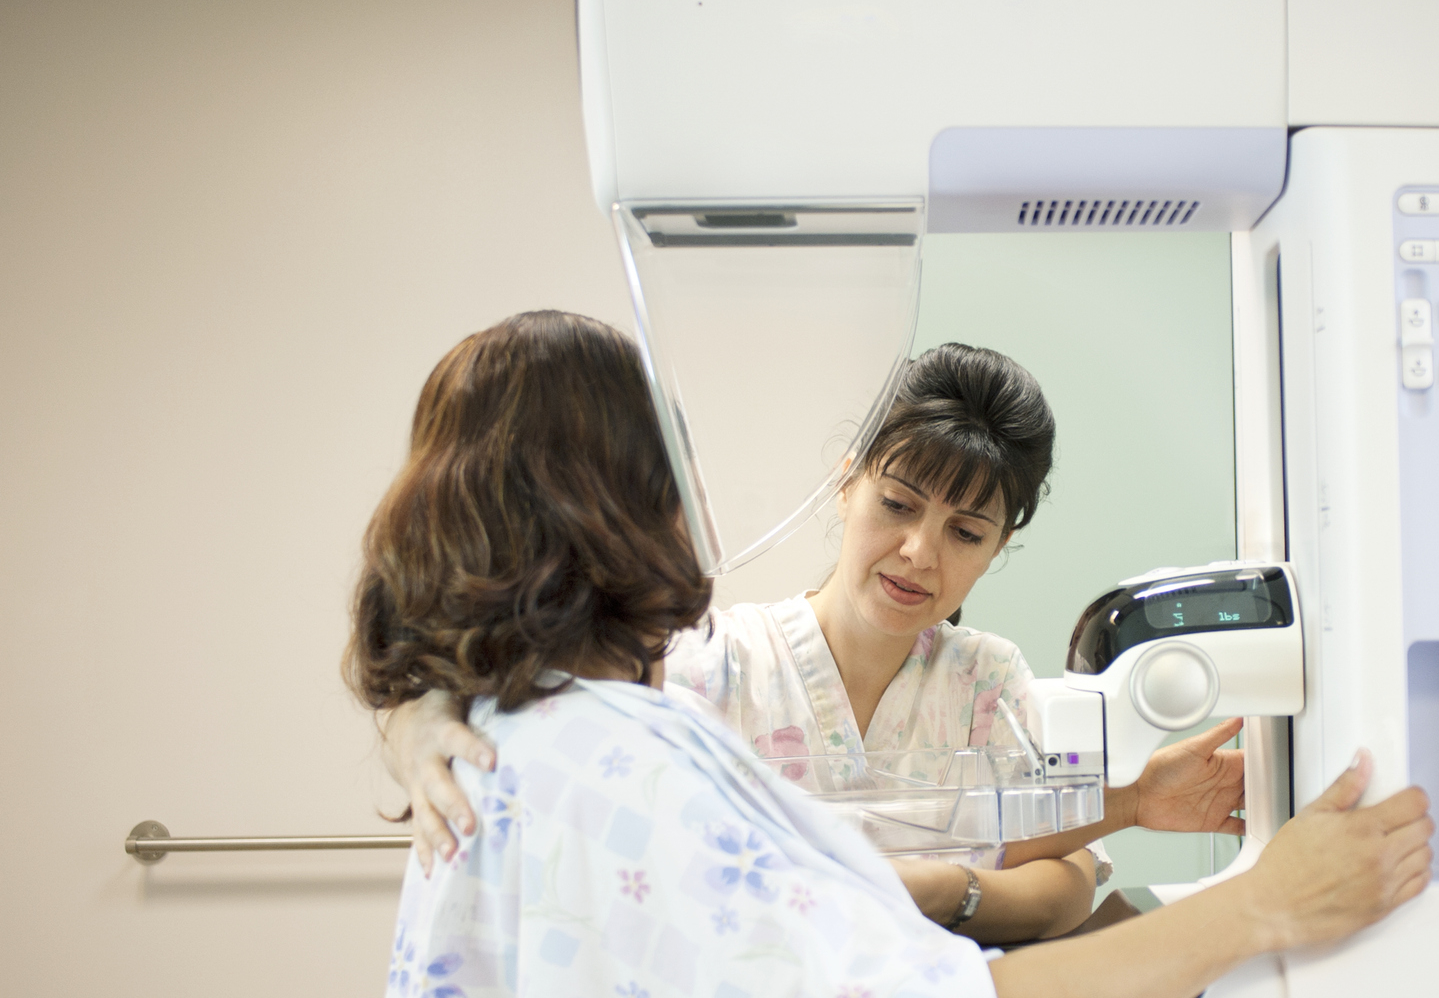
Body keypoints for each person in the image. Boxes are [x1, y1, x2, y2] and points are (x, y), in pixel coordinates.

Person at [342, 311, 1432, 998]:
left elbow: (1035, 858)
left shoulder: (527, 734)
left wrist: (1055, 837)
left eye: (967, 529)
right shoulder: (663, 720)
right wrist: (1265, 902)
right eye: (674, 478)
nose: (921, 550)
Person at [383, 342, 1250, 944]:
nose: (918, 554)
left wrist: (948, 892)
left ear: (997, 548)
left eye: (966, 532)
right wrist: (417, 718)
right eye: (898, 505)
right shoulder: (710, 661)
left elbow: (1063, 880)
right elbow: (526, 727)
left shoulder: (986, 679)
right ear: (847, 485)